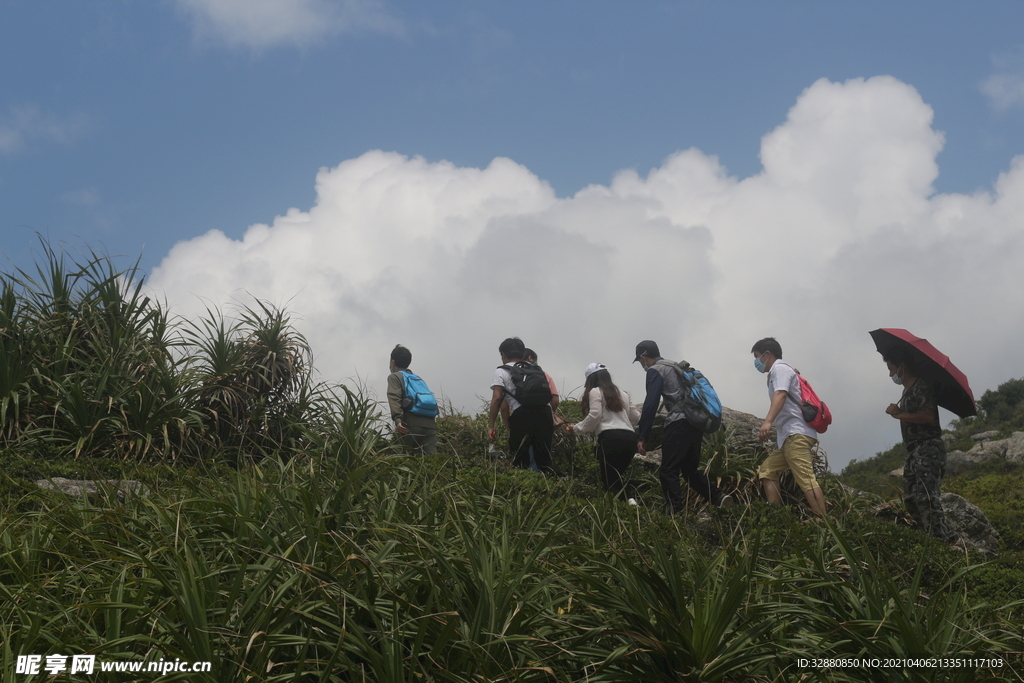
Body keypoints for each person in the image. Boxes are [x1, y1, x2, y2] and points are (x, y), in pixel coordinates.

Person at [634, 340, 732, 513]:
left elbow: (651, 404)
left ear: (642, 357)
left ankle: (675, 514)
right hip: (695, 422)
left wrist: (643, 435)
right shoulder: (675, 366)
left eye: (640, 361)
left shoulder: (655, 370)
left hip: (679, 422)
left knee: (668, 469)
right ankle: (719, 497)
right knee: (689, 470)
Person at [883, 348, 957, 542]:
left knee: (926, 496)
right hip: (913, 451)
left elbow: (928, 416)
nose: (891, 374)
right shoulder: (906, 391)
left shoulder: (921, 386)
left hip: (929, 447)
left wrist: (899, 415)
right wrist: (899, 411)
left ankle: (942, 540)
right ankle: (927, 537)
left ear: (902, 366)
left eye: (892, 369)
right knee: (910, 499)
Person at [751, 337, 826, 517]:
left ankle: (825, 524)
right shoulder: (776, 372)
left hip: (796, 434)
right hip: (788, 437)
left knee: (806, 479)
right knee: (767, 471)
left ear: (767, 354)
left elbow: (781, 394)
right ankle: (777, 518)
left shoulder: (780, 369)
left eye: (757, 357)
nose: (756, 362)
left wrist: (768, 421)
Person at [569, 363, 640, 496]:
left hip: (610, 439)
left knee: (610, 481)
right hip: (630, 439)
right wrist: (620, 420)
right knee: (616, 477)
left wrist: (576, 428)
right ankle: (631, 505)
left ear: (590, 379)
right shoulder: (623, 394)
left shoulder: (595, 391)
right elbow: (635, 418)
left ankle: (629, 504)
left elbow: (595, 416)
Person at [487, 337, 555, 473]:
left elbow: (498, 400)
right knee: (544, 457)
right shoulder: (534, 368)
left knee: (522, 459)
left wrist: (491, 426)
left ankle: (530, 488)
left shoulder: (501, 371)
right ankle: (551, 485)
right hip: (545, 414)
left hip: (522, 415)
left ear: (503, 355)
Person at [386, 344, 438, 454]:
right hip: (430, 425)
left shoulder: (394, 377)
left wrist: (398, 420)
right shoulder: (417, 378)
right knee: (432, 461)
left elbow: (394, 398)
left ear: (393, 362)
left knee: (403, 458)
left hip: (411, 424)